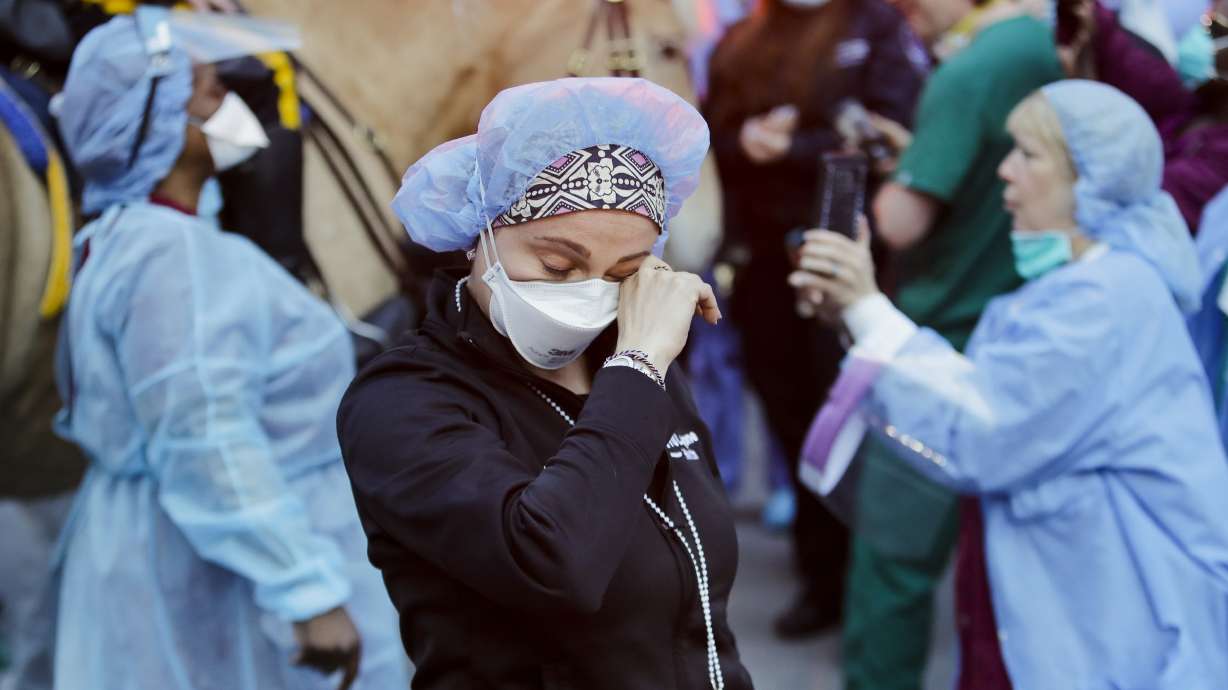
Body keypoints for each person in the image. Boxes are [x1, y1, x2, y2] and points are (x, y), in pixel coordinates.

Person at [793, 79, 1228, 689]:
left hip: (1099, 635)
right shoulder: (1093, 281)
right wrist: (857, 313)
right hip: (1067, 612)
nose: (1005, 171)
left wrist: (868, 310)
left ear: (1090, 178)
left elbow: (984, 425)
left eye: (1029, 154)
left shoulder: (1108, 298)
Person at [337, 77, 753, 690]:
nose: (586, 295)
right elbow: (555, 564)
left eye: (623, 274)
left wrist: (639, 362)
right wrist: (636, 367)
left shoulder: (639, 359)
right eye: (557, 265)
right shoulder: (403, 399)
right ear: (483, 232)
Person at [49, 10, 405, 690]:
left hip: (178, 558)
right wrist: (306, 593)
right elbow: (204, 435)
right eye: (210, 91)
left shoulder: (138, 240)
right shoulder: (171, 256)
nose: (231, 106)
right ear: (159, 125)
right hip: (221, 583)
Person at [837, 1, 1064, 687]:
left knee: (893, 564)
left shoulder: (970, 71)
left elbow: (903, 222)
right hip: (1017, 328)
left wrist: (886, 192)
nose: (906, 13)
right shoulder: (1045, 49)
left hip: (943, 342)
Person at [704, 0, 927, 639]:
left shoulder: (875, 26)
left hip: (846, 262)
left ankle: (862, 582)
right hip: (761, 265)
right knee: (790, 419)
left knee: (849, 417)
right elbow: (704, 123)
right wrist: (741, 139)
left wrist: (795, 147)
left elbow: (895, 131)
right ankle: (820, 574)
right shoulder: (745, 34)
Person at [1061, 0, 1228, 232]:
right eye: (1209, 18)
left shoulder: (1218, 156)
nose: (1204, 29)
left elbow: (1139, 206)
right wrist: (1095, 24)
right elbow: (1140, 74)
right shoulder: (1202, 106)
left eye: (1219, 27)